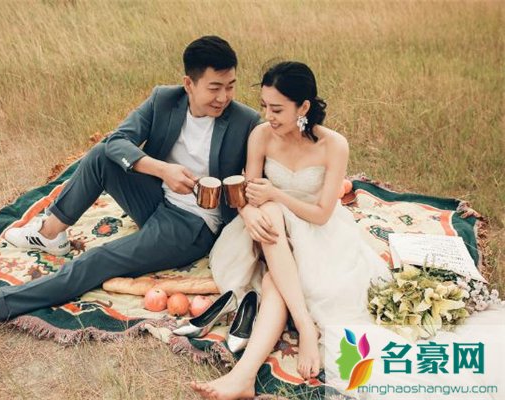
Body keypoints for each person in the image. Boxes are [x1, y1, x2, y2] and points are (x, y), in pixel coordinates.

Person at [191, 62, 505, 400]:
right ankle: (290, 338)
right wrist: (249, 213)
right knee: (268, 211)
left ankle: (247, 373)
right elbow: (248, 193)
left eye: (277, 109)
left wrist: (277, 195)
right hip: (265, 231)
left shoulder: (334, 145)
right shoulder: (261, 135)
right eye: (264, 106)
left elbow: (322, 214)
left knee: (274, 282)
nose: (268, 115)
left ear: (303, 107)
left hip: (315, 228)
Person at [0, 35, 260, 326]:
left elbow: (262, 177)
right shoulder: (164, 99)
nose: (224, 97)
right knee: (102, 154)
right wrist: (163, 170)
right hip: (156, 196)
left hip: (191, 225)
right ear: (189, 84)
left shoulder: (245, 121)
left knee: (99, 259)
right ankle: (50, 233)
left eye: (230, 86)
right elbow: (116, 142)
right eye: (214, 88)